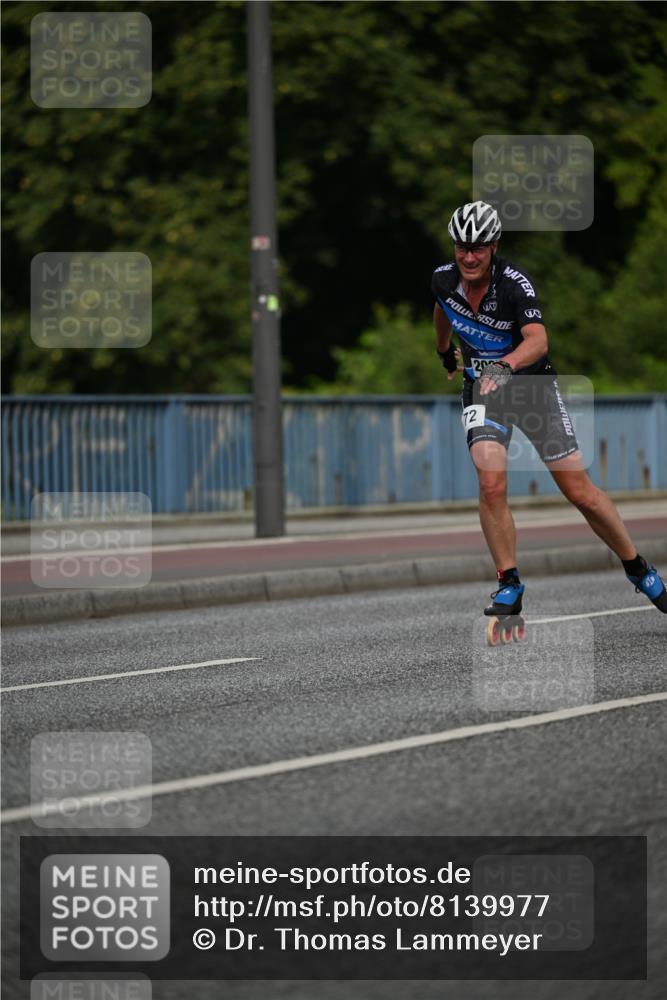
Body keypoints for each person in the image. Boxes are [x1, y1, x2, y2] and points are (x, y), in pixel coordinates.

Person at [432, 199, 667, 618]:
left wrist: (505, 366)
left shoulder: (514, 284)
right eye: (462, 247)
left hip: (531, 387)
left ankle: (636, 566)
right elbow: (442, 311)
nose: (469, 256)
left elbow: (539, 341)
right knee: (490, 482)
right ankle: (509, 583)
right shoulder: (444, 280)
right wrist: (444, 351)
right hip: (483, 391)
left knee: (580, 492)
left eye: (478, 248)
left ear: (494, 246)